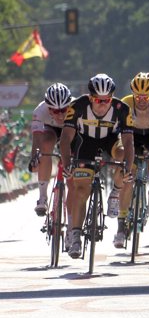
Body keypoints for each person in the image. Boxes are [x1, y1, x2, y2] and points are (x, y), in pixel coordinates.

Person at [60, 74, 134, 259]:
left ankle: (116, 192)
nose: (102, 104)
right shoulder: (77, 106)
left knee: (124, 154)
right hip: (86, 142)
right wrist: (67, 162)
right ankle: (75, 236)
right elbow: (66, 138)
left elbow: (129, 142)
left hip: (111, 140)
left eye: (107, 100)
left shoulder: (122, 109)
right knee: (81, 190)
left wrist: (127, 168)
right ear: (90, 97)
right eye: (98, 100)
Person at [113, 72, 149, 248]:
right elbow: (118, 131)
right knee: (128, 176)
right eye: (138, 96)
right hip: (132, 136)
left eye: (146, 96)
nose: (142, 100)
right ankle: (121, 226)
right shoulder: (125, 103)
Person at [30, 83, 73, 216]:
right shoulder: (39, 111)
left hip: (70, 130)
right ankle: (43, 197)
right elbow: (36, 139)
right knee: (45, 145)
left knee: (73, 156)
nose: (60, 115)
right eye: (55, 111)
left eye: (64, 110)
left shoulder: (77, 107)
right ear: (48, 108)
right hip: (51, 130)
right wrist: (34, 158)